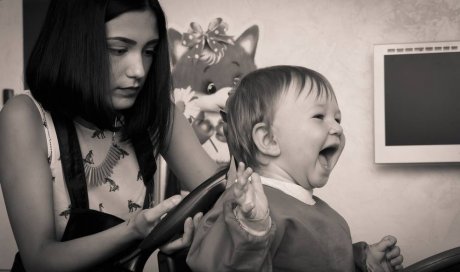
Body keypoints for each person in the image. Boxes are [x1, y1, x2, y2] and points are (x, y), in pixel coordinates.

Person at [0, 0, 220, 271]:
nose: (138, 70)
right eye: (119, 49)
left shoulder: (159, 115)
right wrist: (134, 230)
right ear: (74, 44)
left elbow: (221, 196)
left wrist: (196, 233)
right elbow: (40, 258)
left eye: (149, 51)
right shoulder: (26, 117)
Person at [187, 65, 404, 271]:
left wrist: (364, 262)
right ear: (269, 140)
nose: (338, 127)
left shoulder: (322, 212)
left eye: (337, 118)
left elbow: (321, 261)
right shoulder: (244, 207)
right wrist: (250, 228)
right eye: (319, 117)